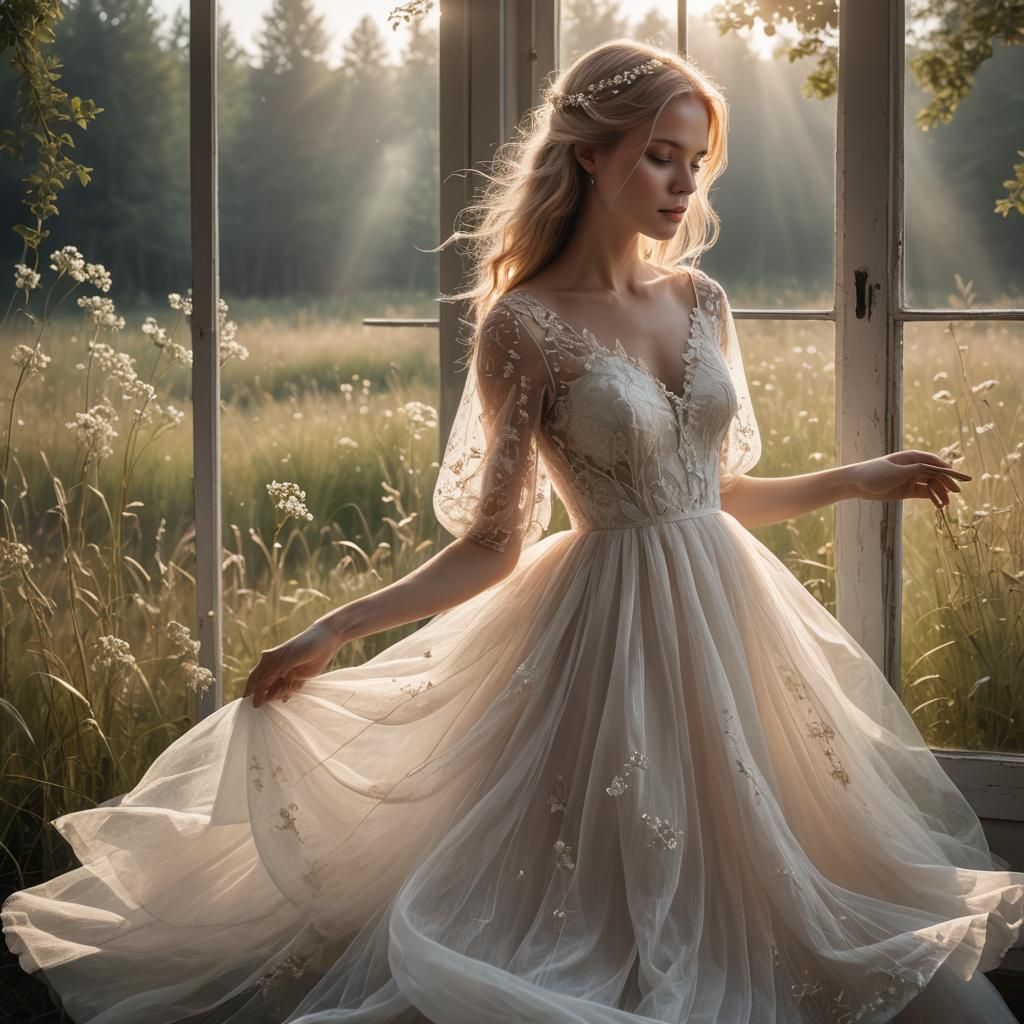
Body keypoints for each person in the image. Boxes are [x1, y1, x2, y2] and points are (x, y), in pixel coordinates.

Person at [4, 38, 1022, 1024]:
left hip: (729, 616)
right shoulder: (522, 324)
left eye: (696, 160)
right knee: (600, 897)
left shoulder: (702, 299)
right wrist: (335, 627)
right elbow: (495, 543)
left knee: (766, 861)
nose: (683, 184)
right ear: (591, 155)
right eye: (659, 155)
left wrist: (857, 478)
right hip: (606, 631)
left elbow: (710, 492)